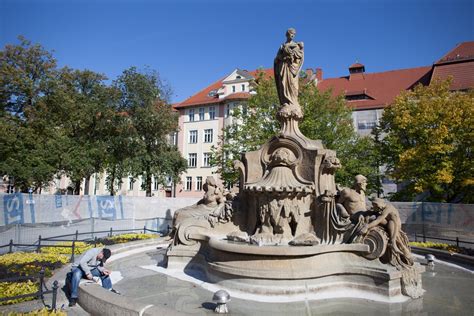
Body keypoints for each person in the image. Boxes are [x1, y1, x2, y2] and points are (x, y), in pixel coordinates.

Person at [274, 28, 304, 116]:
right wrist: (281, 57)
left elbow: (300, 56)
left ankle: (293, 102)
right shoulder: (282, 46)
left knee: (293, 85)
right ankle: (285, 102)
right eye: (291, 33)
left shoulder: (297, 45)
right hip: (284, 67)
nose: (292, 35)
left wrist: (298, 50)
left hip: (292, 68)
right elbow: (277, 58)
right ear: (287, 34)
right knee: (283, 84)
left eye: (294, 34)